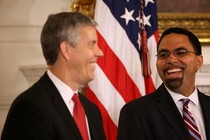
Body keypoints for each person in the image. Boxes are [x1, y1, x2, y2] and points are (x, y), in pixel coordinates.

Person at [1, 12, 106, 140]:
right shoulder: (29, 108)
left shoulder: (91, 110)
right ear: (66, 50)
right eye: (92, 44)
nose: (99, 52)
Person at [117, 27, 210, 140]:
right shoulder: (135, 113)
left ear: (198, 62)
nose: (171, 60)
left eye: (180, 53)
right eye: (163, 55)